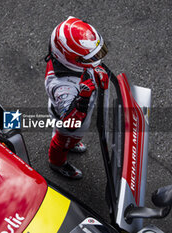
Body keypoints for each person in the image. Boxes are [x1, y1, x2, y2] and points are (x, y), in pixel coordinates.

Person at [44, 16, 109, 179]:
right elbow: (71, 123)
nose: (97, 60)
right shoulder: (62, 87)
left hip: (67, 107)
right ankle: (57, 163)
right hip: (69, 117)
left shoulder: (65, 58)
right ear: (70, 57)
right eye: (90, 58)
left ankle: (70, 143)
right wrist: (83, 98)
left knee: (70, 137)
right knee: (64, 140)